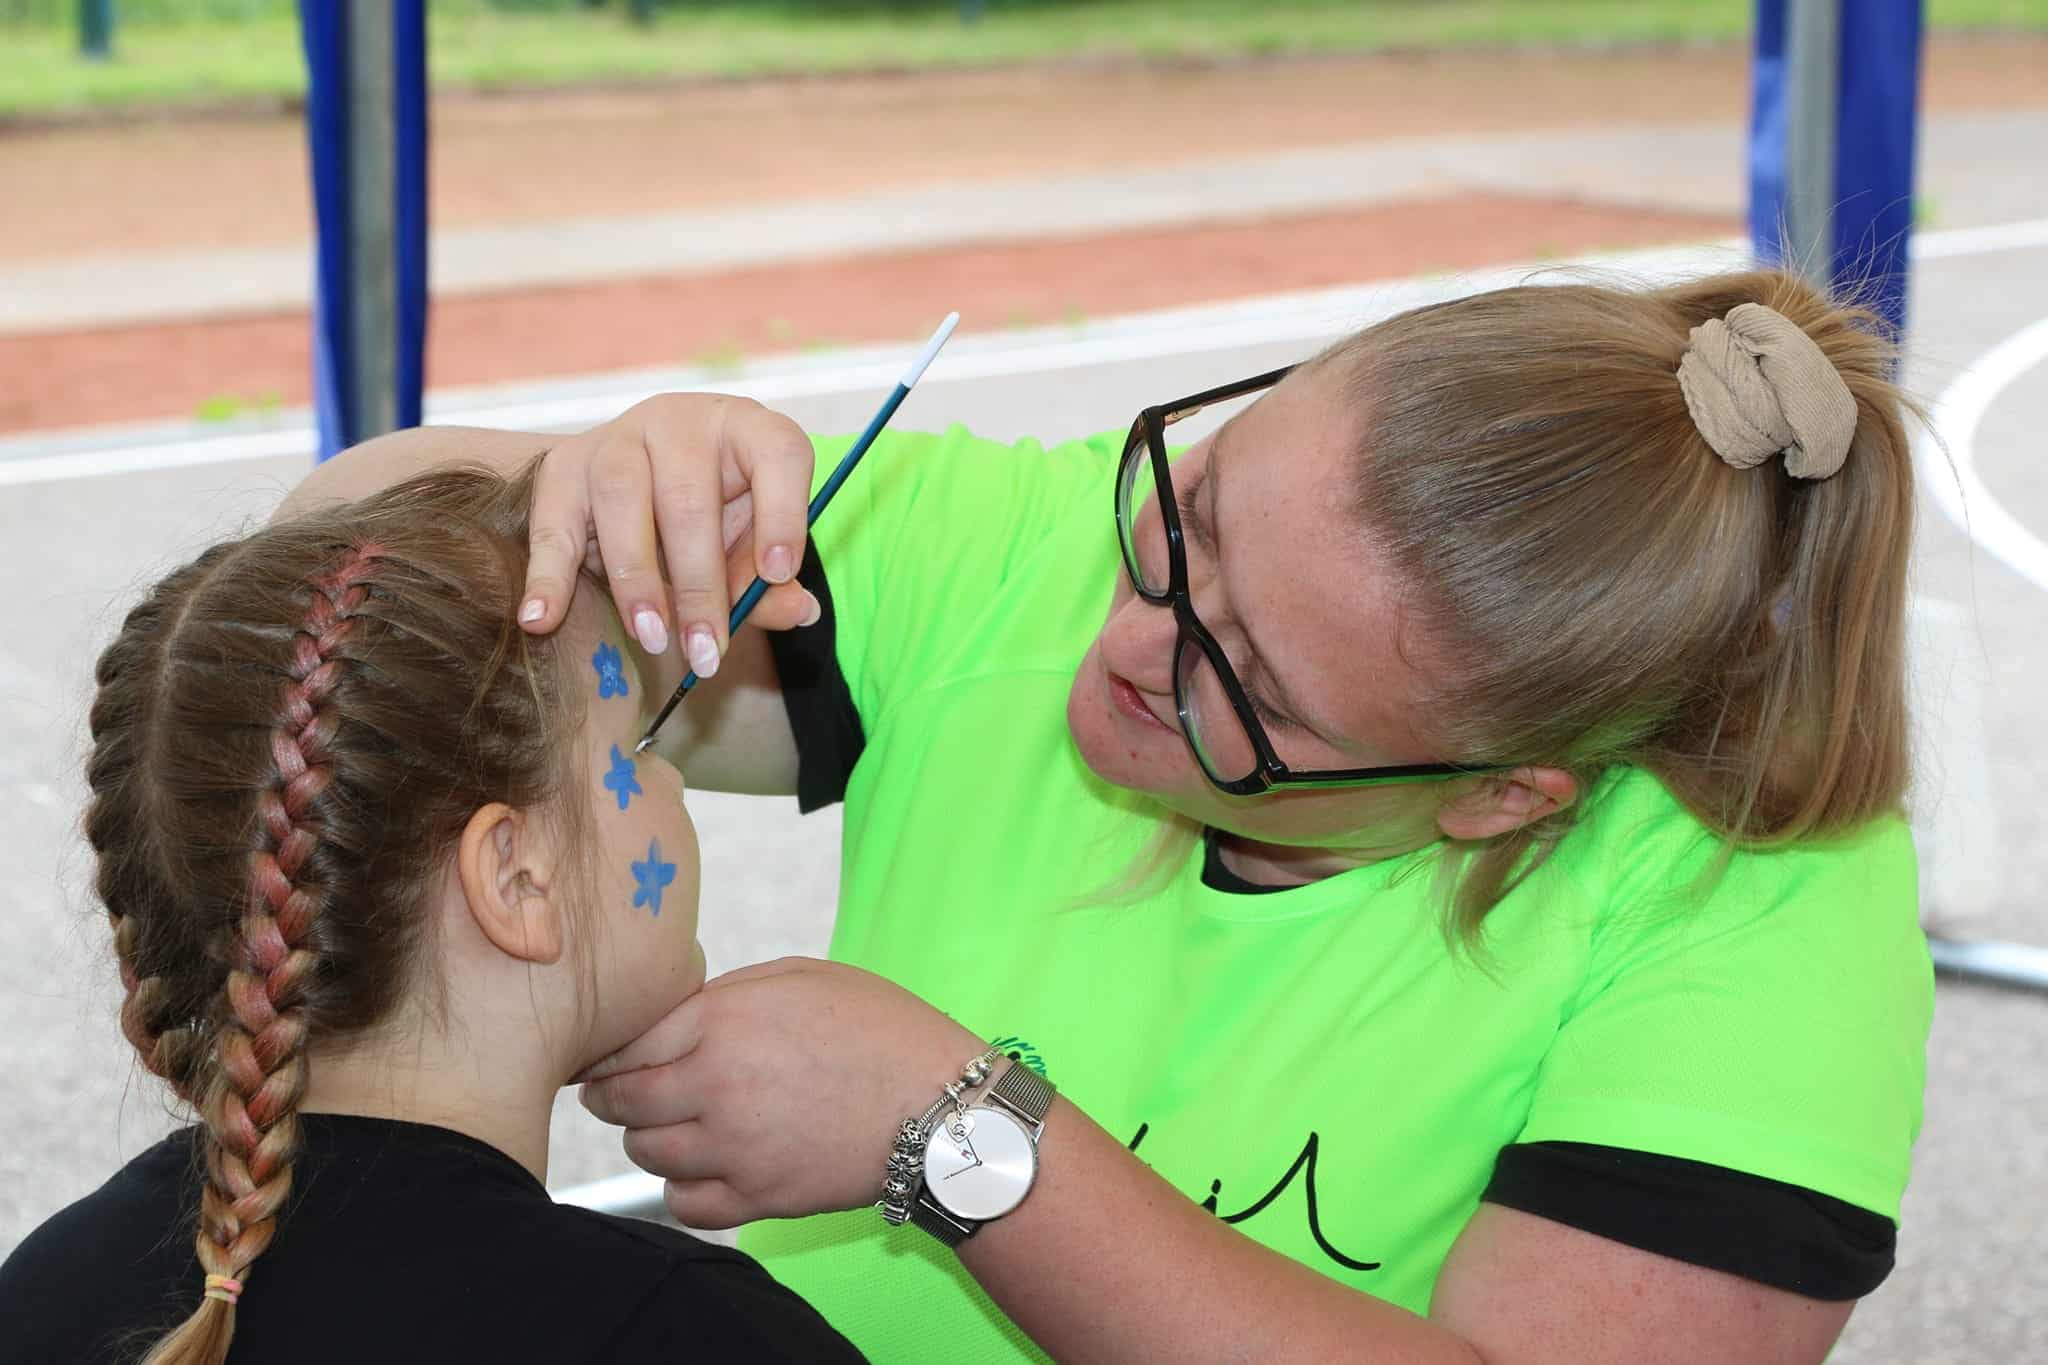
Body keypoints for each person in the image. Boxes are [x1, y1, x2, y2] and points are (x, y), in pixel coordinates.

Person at [290, 267, 1931, 1364]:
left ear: (1502, 798)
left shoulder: (1759, 890)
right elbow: (317, 596)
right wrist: (586, 491)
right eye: (1192, 509)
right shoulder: (1032, 546)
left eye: (1255, 688)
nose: (1134, 637)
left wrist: (961, 1136)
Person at [0, 466, 863, 1363]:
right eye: (640, 741)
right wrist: (940, 1142)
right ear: (515, 877)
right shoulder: (686, 1330)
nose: (675, 779)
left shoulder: (46, 1288)